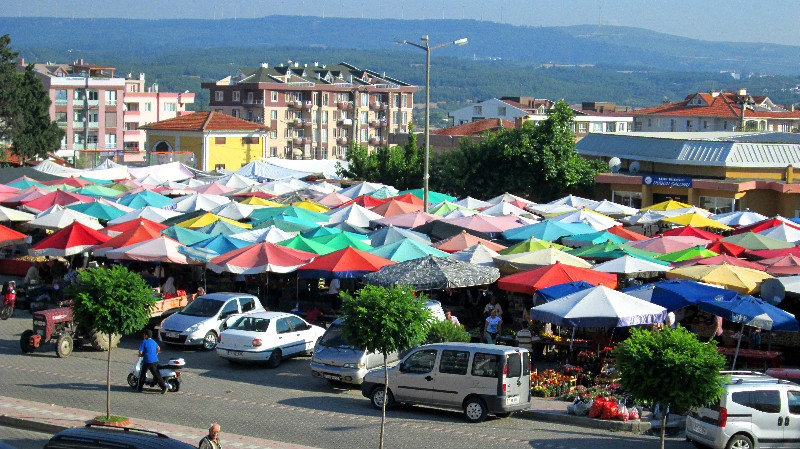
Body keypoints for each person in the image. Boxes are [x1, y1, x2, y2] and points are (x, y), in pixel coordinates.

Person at [137, 329, 167, 394]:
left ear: (146, 335)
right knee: (156, 374)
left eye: (144, 335)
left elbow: (140, 351)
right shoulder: (153, 341)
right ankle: (163, 387)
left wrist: (140, 355)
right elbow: (158, 348)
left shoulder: (144, 342)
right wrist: (156, 353)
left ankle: (140, 387)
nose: (143, 336)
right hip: (155, 360)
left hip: (147, 360)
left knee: (143, 374)